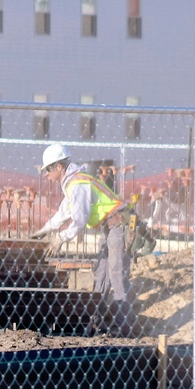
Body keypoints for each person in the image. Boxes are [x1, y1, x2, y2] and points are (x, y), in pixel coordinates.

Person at [30, 143, 136, 337]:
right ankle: (95, 323)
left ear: (58, 167)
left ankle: (123, 329)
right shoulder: (73, 182)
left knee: (116, 276)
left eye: (48, 169)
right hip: (110, 228)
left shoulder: (78, 183)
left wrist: (60, 238)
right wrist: (44, 230)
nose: (46, 174)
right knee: (101, 275)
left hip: (118, 226)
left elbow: (80, 220)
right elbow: (64, 212)